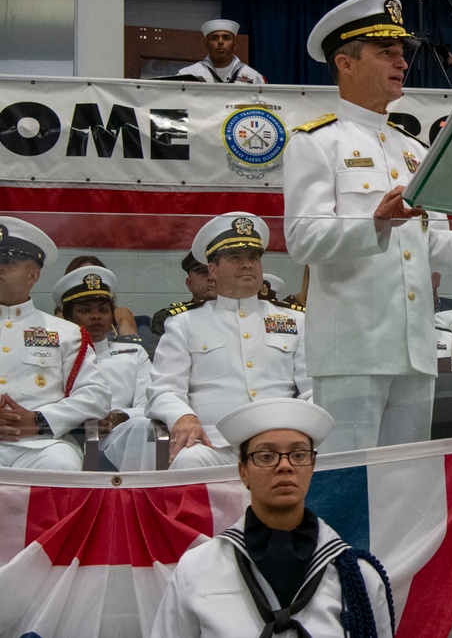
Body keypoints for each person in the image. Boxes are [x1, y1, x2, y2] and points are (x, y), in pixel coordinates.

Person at [283, 0, 452, 452]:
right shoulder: (315, 142)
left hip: (415, 350)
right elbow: (301, 240)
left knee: (406, 488)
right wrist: (376, 223)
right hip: (352, 350)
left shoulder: (414, 150)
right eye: (385, 51)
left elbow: (435, 246)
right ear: (345, 63)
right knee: (348, 486)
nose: (401, 61)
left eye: (402, 52)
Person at [151, 398, 394, 637]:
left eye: (298, 455)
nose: (285, 465)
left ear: (312, 467)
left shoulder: (357, 577)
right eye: (266, 456)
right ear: (243, 471)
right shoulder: (196, 569)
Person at [146, 212, 311, 469]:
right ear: (212, 269)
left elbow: (312, 389)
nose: (247, 265)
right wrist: (183, 416)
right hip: (214, 443)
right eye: (235, 257)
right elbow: (164, 390)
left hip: (281, 443)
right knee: (188, 461)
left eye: (253, 257)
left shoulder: (294, 320)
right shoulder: (184, 323)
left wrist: (307, 428)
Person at [0, 217, 111, 470]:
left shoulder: (66, 332)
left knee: (61, 466)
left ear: (33, 275)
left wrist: (40, 420)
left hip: (44, 444)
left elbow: (95, 395)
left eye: (7, 262)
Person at [53, 265, 153, 470]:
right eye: (85, 310)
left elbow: (149, 406)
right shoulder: (53, 355)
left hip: (117, 433)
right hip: (65, 435)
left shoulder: (134, 353)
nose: (96, 316)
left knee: (143, 426)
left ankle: (136, 498)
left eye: (103, 310)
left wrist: (119, 417)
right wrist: (80, 421)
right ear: (68, 317)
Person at [148, 251, 219, 354]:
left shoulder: (238, 314)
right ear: (189, 284)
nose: (211, 278)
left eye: (216, 272)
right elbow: (159, 361)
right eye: (202, 272)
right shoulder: (167, 319)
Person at [57, 255, 139, 337]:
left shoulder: (121, 314)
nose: (90, 280)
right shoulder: (58, 320)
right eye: (84, 311)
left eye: (103, 310)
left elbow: (129, 343)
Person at [177, 19, 266, 84]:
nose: (220, 42)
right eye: (214, 38)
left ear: (234, 44)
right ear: (206, 44)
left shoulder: (254, 77)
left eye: (226, 38)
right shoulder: (187, 75)